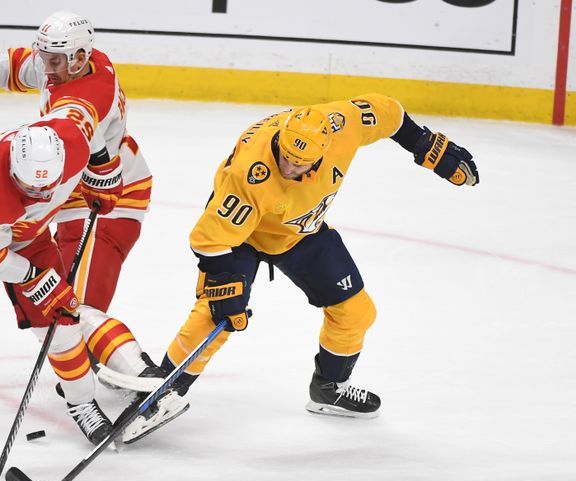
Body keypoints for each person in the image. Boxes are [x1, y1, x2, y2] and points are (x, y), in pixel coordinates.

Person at [121, 93, 480, 443]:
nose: (289, 167)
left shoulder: (342, 126)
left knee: (356, 312)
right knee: (216, 315)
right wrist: (225, 284)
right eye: (286, 157)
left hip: (299, 233)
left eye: (300, 163)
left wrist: (426, 145)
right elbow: (208, 238)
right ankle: (161, 392)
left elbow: (389, 112)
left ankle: (329, 387)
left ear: (323, 152)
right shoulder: (251, 173)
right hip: (241, 237)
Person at [0, 11, 165, 396]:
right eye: (46, 57)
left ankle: (144, 378)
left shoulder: (83, 100)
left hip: (109, 194)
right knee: (62, 306)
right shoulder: (71, 65)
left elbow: (93, 151)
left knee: (70, 303)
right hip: (70, 191)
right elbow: (19, 65)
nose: (45, 68)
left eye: (54, 61)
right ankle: (107, 370)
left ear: (79, 57)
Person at [0, 103, 121, 477]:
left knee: (61, 322)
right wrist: (37, 279)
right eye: (29, 186)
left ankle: (82, 402)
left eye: (47, 185)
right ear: (14, 170)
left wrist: (103, 174)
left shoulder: (70, 139)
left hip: (25, 232)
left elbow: (93, 128)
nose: (40, 193)